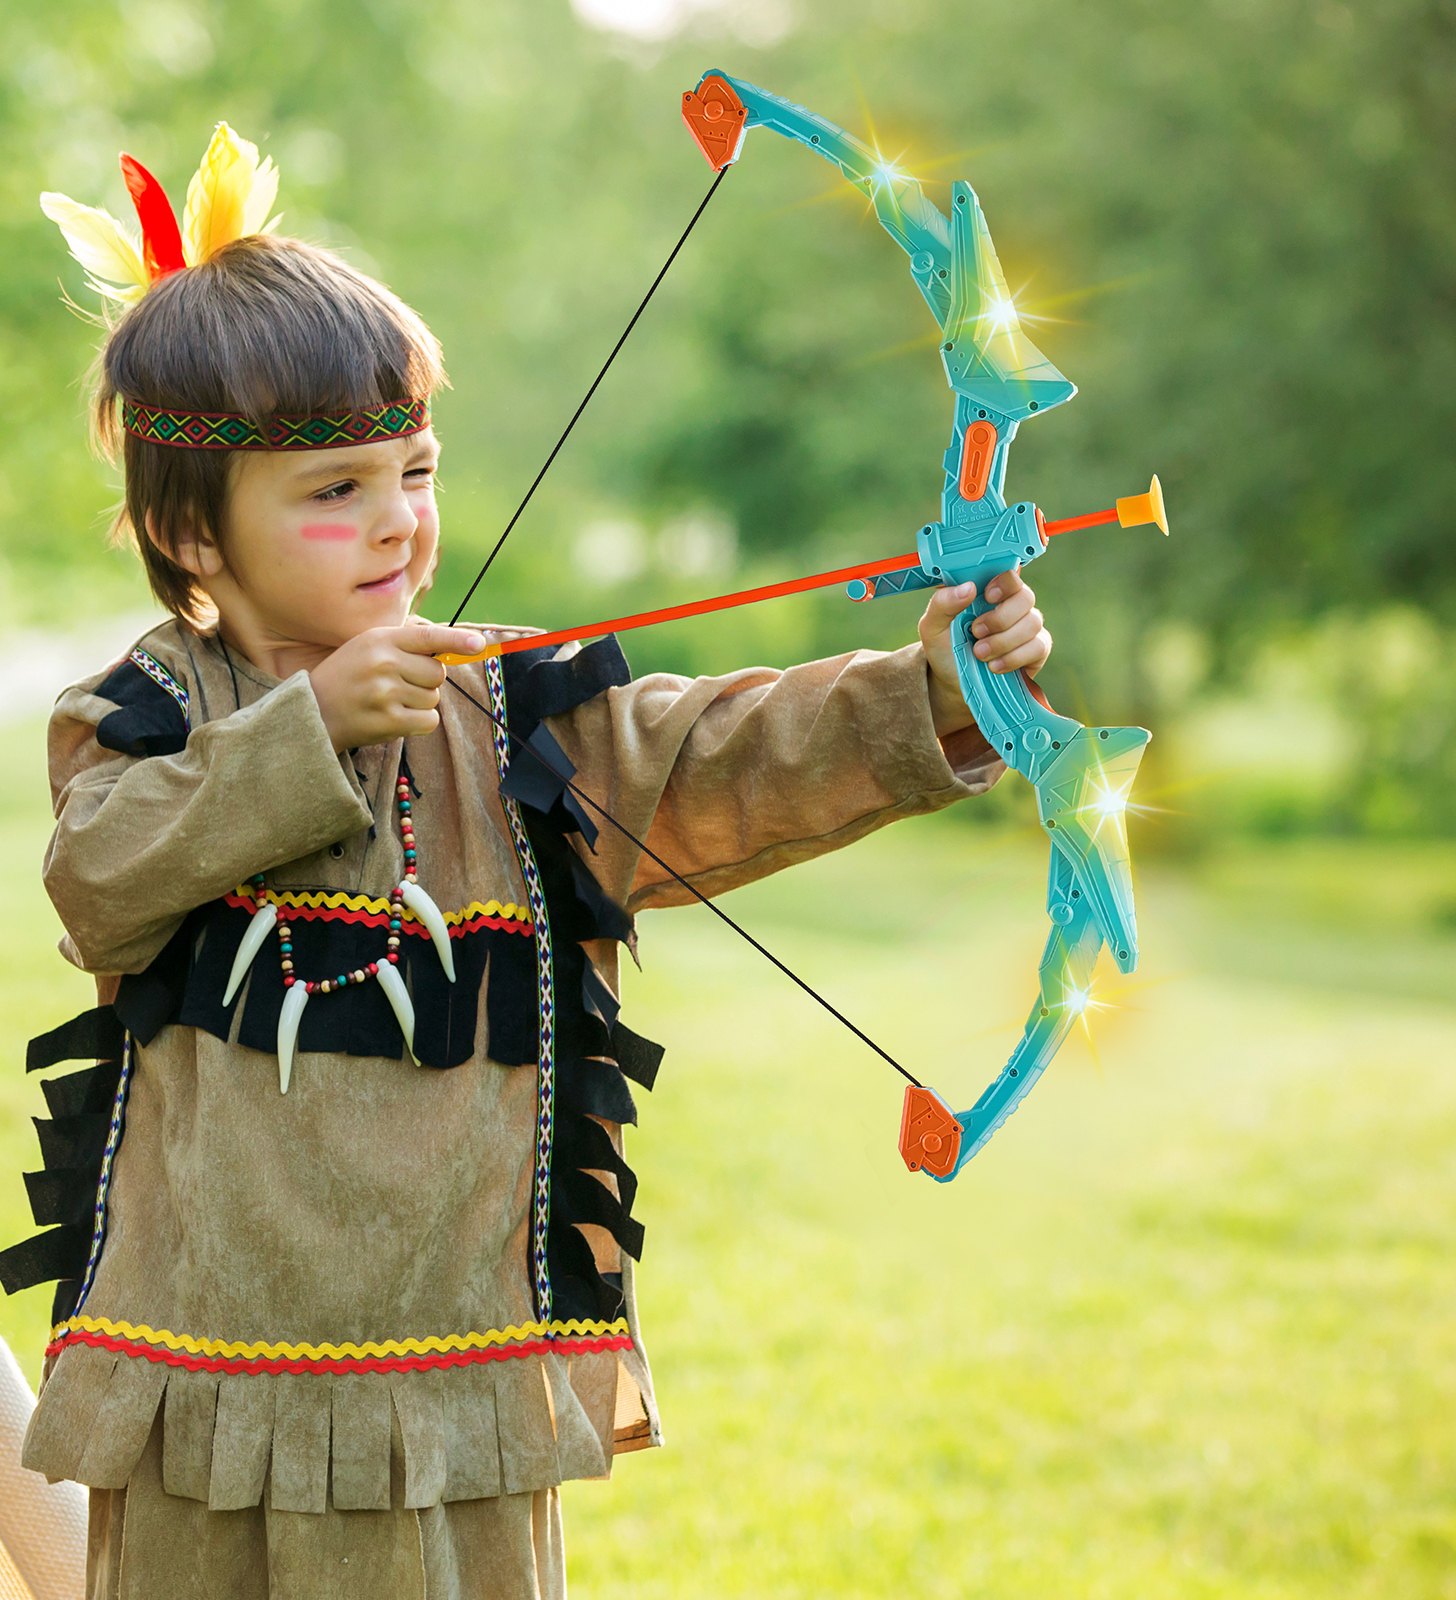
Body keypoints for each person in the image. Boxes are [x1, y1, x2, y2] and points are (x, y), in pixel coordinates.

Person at [1, 125, 1051, 1598]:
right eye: (334, 490)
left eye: (415, 470)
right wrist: (311, 727)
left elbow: (716, 754)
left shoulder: (515, 714)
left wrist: (932, 689)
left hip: (464, 1383)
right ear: (195, 536)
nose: (397, 521)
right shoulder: (149, 717)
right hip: (212, 1388)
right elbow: (99, 877)